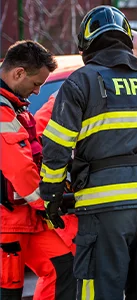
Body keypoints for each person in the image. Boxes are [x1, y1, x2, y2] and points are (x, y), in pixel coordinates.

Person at [38, 6, 137, 299]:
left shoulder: (81, 81)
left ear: (87, 45)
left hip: (105, 204)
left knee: (101, 291)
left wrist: (51, 195)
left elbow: (57, 146)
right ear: (125, 40)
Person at [32, 30, 137, 255]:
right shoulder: (80, 90)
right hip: (78, 203)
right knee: (69, 276)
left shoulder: (121, 93)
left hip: (108, 202)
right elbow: (43, 141)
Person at [0, 40, 75, 300]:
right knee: (8, 291)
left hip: (25, 219)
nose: (36, 92)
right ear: (18, 73)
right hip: (7, 222)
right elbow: (21, 172)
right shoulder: (3, 113)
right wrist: (50, 203)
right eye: (35, 84)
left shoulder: (15, 109)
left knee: (65, 269)